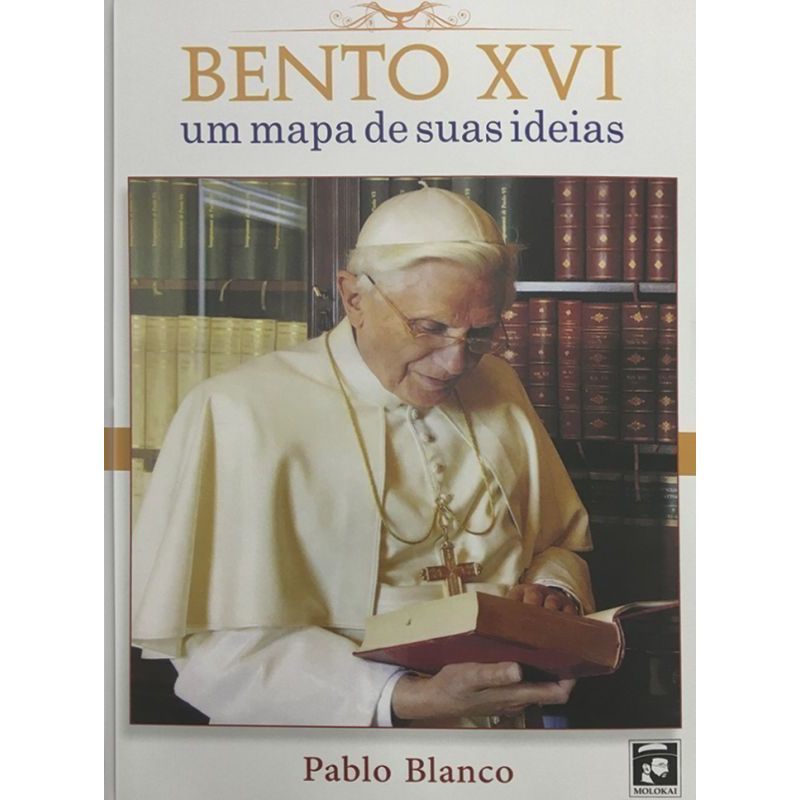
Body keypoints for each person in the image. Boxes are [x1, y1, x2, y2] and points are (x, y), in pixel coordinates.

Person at [132, 186, 595, 727]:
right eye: (430, 327)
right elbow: (217, 651)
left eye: (481, 332)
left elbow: (556, 542)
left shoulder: (497, 383)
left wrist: (554, 590)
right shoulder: (239, 411)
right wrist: (409, 697)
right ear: (353, 298)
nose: (455, 363)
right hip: (332, 749)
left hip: (502, 738)